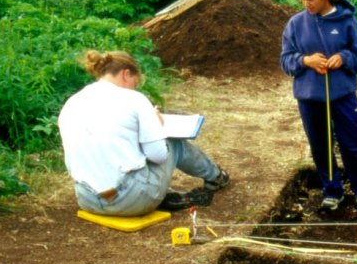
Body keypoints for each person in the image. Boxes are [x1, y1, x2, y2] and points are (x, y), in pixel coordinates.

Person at [57, 50, 230, 216]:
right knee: (173, 143)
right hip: (131, 200)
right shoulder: (134, 99)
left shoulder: (72, 102)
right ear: (126, 74)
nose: (134, 87)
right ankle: (215, 177)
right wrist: (157, 127)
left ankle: (160, 191)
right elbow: (159, 155)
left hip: (88, 200)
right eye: (135, 82)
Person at [280, 0, 357, 212]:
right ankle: (332, 191)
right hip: (309, 98)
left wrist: (344, 57)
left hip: (343, 96)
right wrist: (305, 61)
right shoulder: (296, 24)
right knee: (320, 145)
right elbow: (286, 61)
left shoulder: (347, 22)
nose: (306, 4)